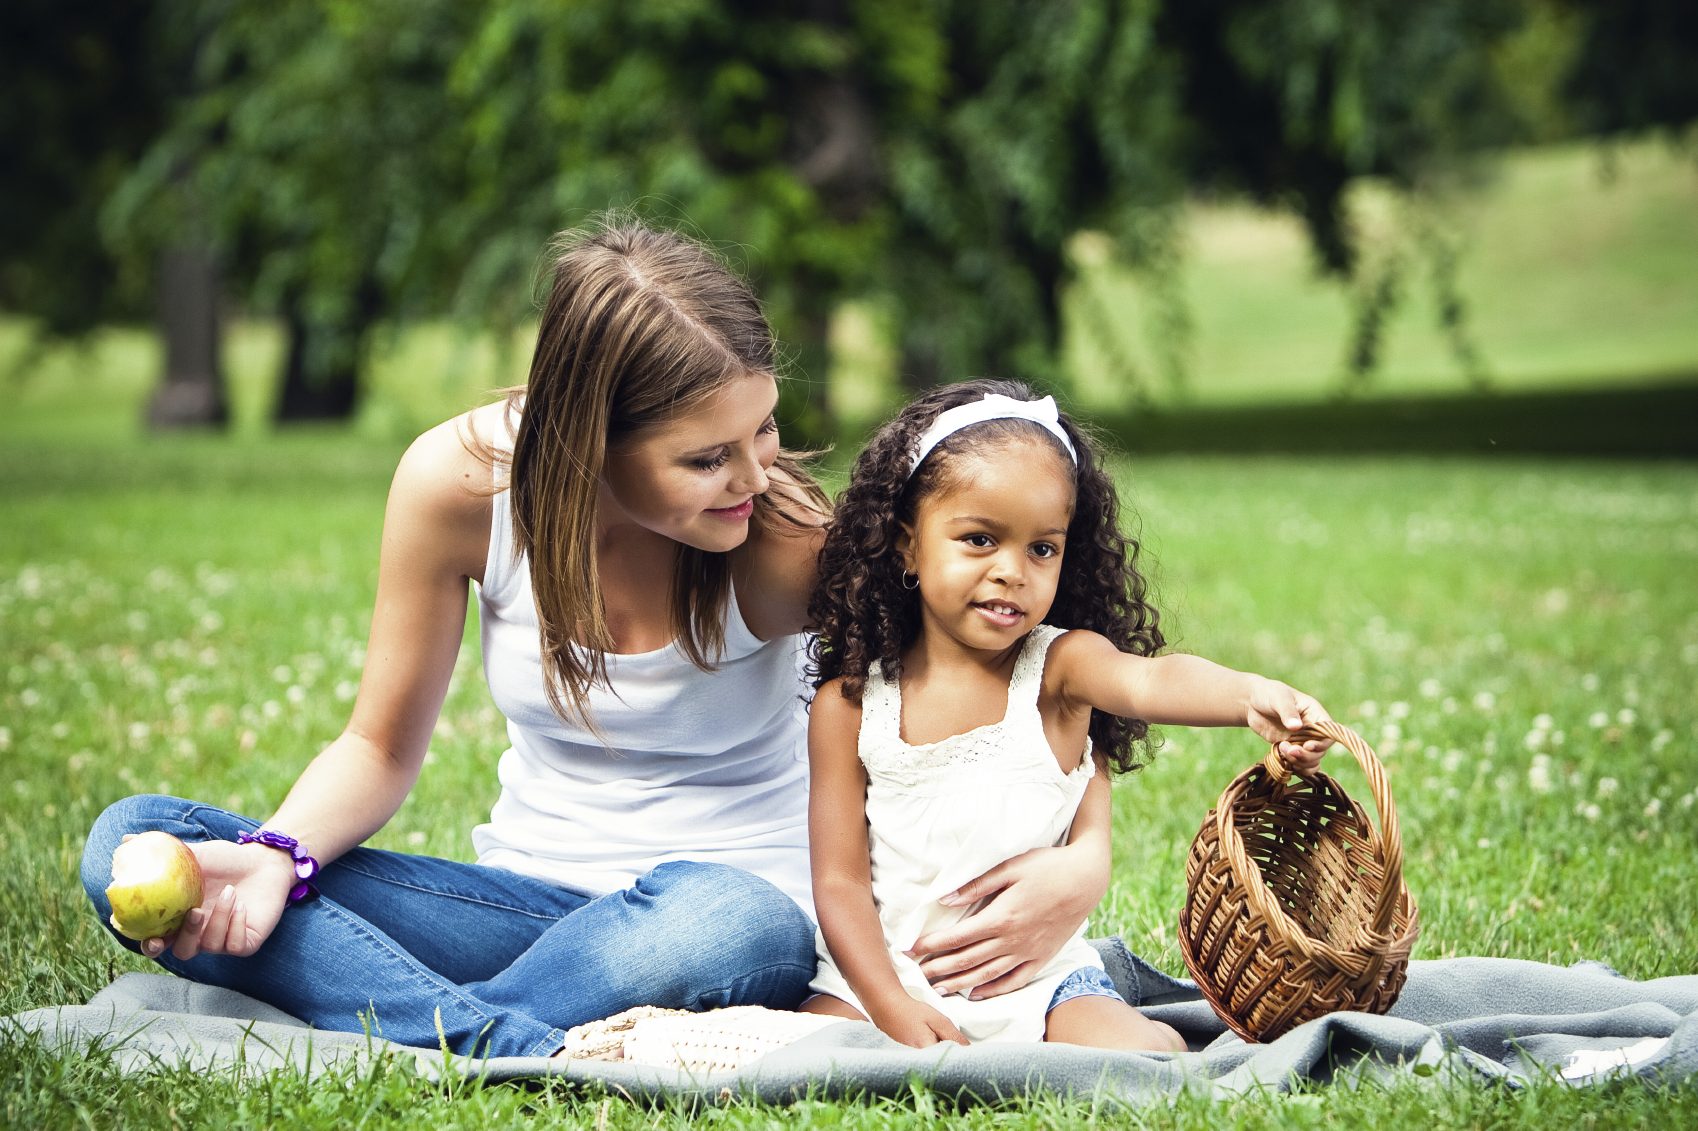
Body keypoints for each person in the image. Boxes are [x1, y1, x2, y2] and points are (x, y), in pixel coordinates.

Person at [79, 222, 839, 1059]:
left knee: (734, 921)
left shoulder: (787, 542)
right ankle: (495, 1035)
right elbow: (376, 747)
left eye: (763, 429)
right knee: (134, 837)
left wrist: (1011, 885)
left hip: (717, 920)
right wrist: (276, 857)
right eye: (706, 459)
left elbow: (974, 704)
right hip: (517, 912)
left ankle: (410, 1022)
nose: (758, 476)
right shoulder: (461, 487)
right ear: (589, 441)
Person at [799, 378, 1336, 1049]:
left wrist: (1250, 695)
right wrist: (887, 1004)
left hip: (1038, 982)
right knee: (797, 1056)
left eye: (1041, 548)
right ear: (908, 544)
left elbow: (1150, 680)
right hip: (879, 979)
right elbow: (840, 880)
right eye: (978, 539)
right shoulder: (851, 704)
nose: (1011, 570)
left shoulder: (1059, 668)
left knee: (1147, 1054)